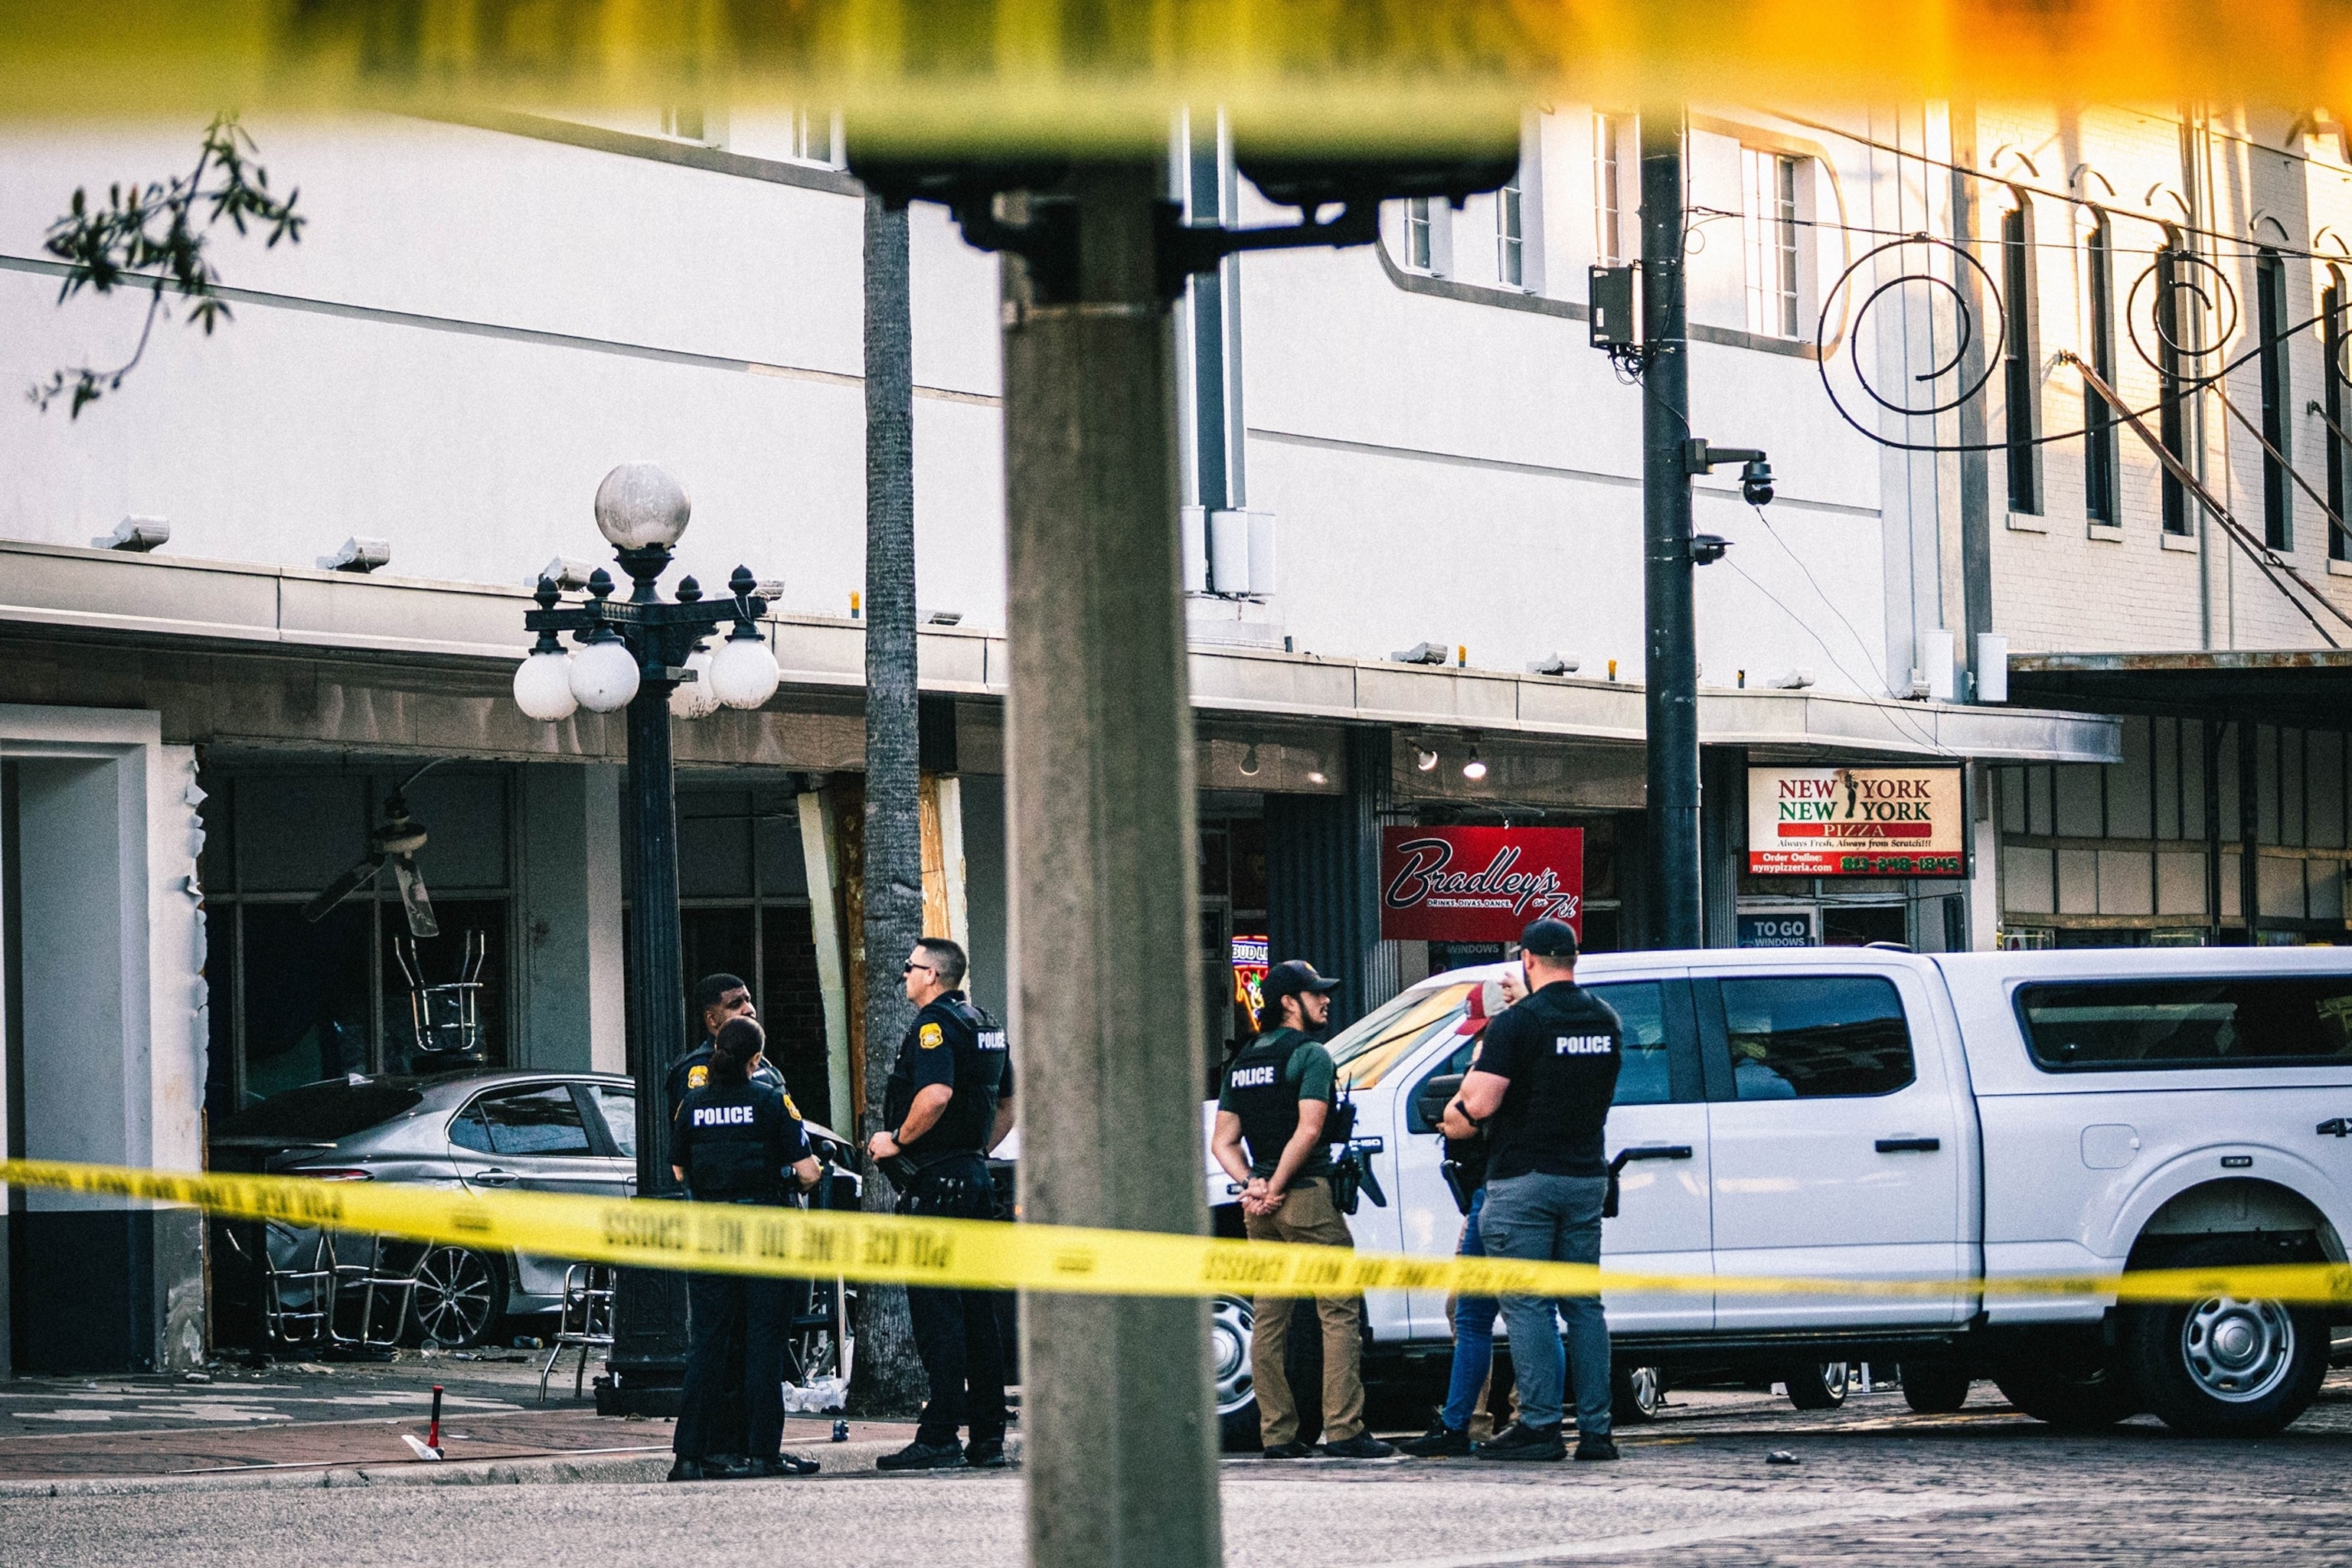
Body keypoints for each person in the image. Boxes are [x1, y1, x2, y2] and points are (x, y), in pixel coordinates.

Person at [1446, 919, 1624, 1462]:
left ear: (1527, 958)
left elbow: (1476, 1107)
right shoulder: (1605, 1018)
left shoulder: (1517, 1024)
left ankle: (1541, 1426)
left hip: (1524, 1180)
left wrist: (1452, 1113)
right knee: (1584, 1307)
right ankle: (1597, 1432)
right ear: (1574, 956)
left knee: (1526, 1306)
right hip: (1585, 1177)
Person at [1210, 959, 1396, 1460]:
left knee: (1270, 1319)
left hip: (1259, 1209)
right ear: (1289, 1002)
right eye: (1317, 994)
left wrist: (1252, 1183)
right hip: (1306, 1195)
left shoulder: (1244, 1060)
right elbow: (1310, 1128)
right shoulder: (1311, 1055)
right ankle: (1344, 1429)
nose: (1326, 1001)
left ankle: (1278, 1435)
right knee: (1339, 1311)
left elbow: (1222, 1143)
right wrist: (1278, 1183)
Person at [867, 936, 1016, 1472]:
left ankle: (938, 1435)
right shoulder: (985, 1023)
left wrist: (899, 1142)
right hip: (973, 1181)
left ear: (931, 975)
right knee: (978, 1316)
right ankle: (988, 1437)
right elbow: (1008, 1104)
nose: (904, 975)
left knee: (939, 1316)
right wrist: (975, 1150)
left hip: (936, 1185)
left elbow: (935, 1095)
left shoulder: (933, 1027)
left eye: (909, 967)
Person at [668, 1017, 824, 1481]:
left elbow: (679, 1170)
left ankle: (690, 1455)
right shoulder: (772, 1100)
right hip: (765, 1234)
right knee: (764, 1344)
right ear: (756, 1058)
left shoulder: (692, 1104)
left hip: (711, 1234)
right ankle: (762, 1453)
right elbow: (810, 1171)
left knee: (709, 1345)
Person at [1396, 973, 1524, 1458]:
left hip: (1495, 1197)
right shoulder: (1501, 1050)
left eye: (1482, 1031)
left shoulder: (1504, 1055)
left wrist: (1461, 1093)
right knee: (1482, 1309)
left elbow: (1460, 1118)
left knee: (1507, 1310)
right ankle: (1478, 1421)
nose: (1477, 1044)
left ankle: (1509, 1417)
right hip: (1487, 1197)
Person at [667, 973, 784, 1120]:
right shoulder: (697, 1068)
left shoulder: (764, 1065)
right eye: (735, 1004)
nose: (749, 1010)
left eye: (748, 1000)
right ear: (712, 1019)